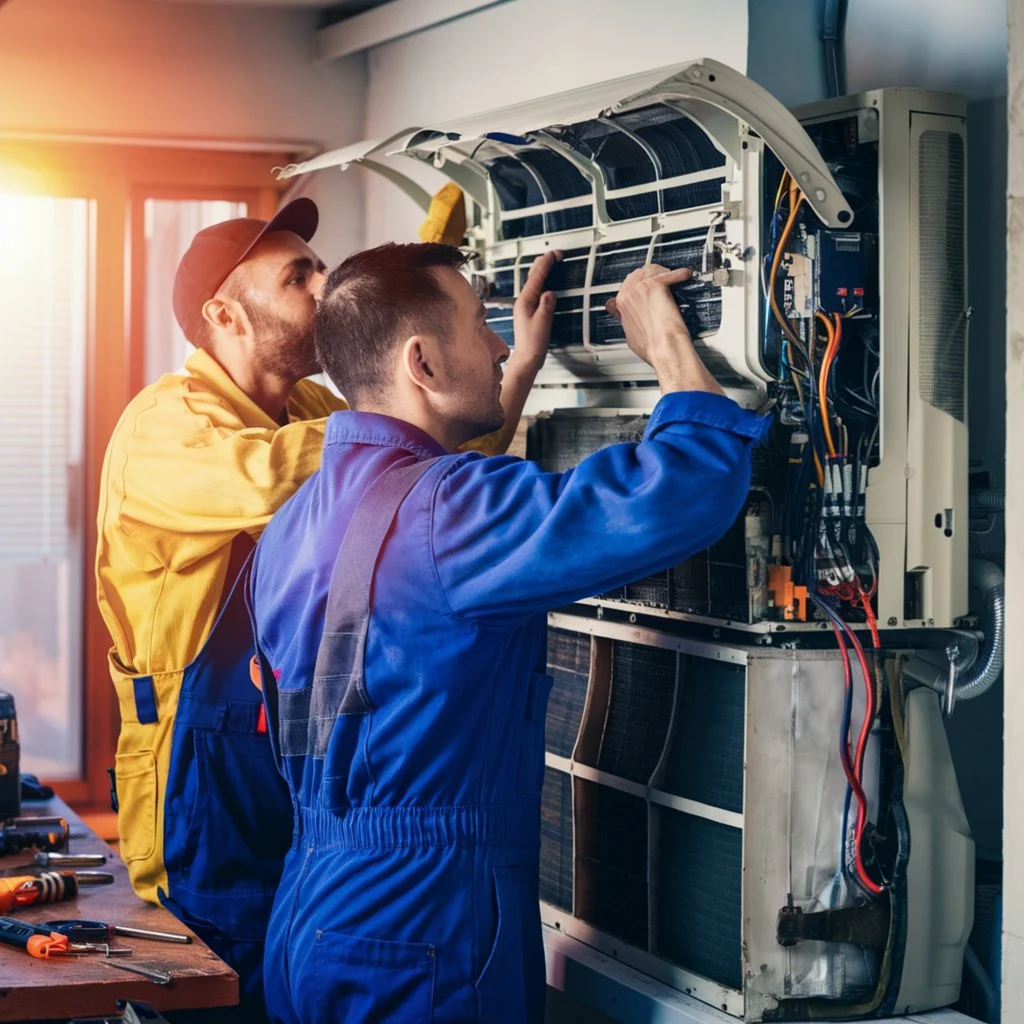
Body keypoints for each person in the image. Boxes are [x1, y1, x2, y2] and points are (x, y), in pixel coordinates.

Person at [248, 241, 769, 1023]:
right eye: (480, 326)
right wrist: (668, 347)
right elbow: (684, 490)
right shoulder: (450, 514)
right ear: (421, 363)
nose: (498, 344)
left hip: (309, 913)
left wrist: (520, 371)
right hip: (423, 925)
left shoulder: (292, 525)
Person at [95, 196, 545, 1018]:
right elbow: (282, 475)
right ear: (224, 314)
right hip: (198, 782)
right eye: (298, 275)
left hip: (297, 763)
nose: (323, 281)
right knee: (218, 987)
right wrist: (391, 399)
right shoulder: (163, 426)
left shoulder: (313, 412)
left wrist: (503, 367)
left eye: (320, 265)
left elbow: (429, 461)